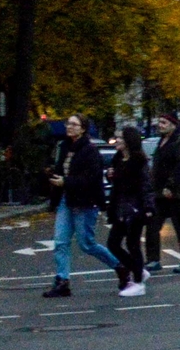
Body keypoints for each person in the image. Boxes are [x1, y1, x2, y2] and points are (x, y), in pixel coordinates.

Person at [43, 114, 122, 299]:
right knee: (60, 242)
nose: (69, 127)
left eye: (73, 124)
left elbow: (91, 179)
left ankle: (120, 267)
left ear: (83, 128)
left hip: (85, 202)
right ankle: (62, 282)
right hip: (66, 199)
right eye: (68, 123)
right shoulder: (64, 146)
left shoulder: (90, 150)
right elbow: (61, 169)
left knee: (87, 244)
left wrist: (66, 181)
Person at [107, 125, 152, 298]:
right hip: (120, 208)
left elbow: (146, 185)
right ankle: (137, 269)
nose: (116, 140)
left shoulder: (139, 161)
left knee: (133, 244)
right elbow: (118, 183)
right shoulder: (118, 159)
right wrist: (110, 175)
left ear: (128, 141)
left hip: (134, 209)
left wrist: (148, 208)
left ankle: (139, 283)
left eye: (119, 137)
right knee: (113, 243)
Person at [152, 112, 180, 273]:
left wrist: (170, 186)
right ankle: (153, 260)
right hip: (160, 193)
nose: (160, 125)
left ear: (173, 124)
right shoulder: (162, 141)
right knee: (152, 225)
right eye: (160, 122)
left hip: (176, 193)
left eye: (164, 122)